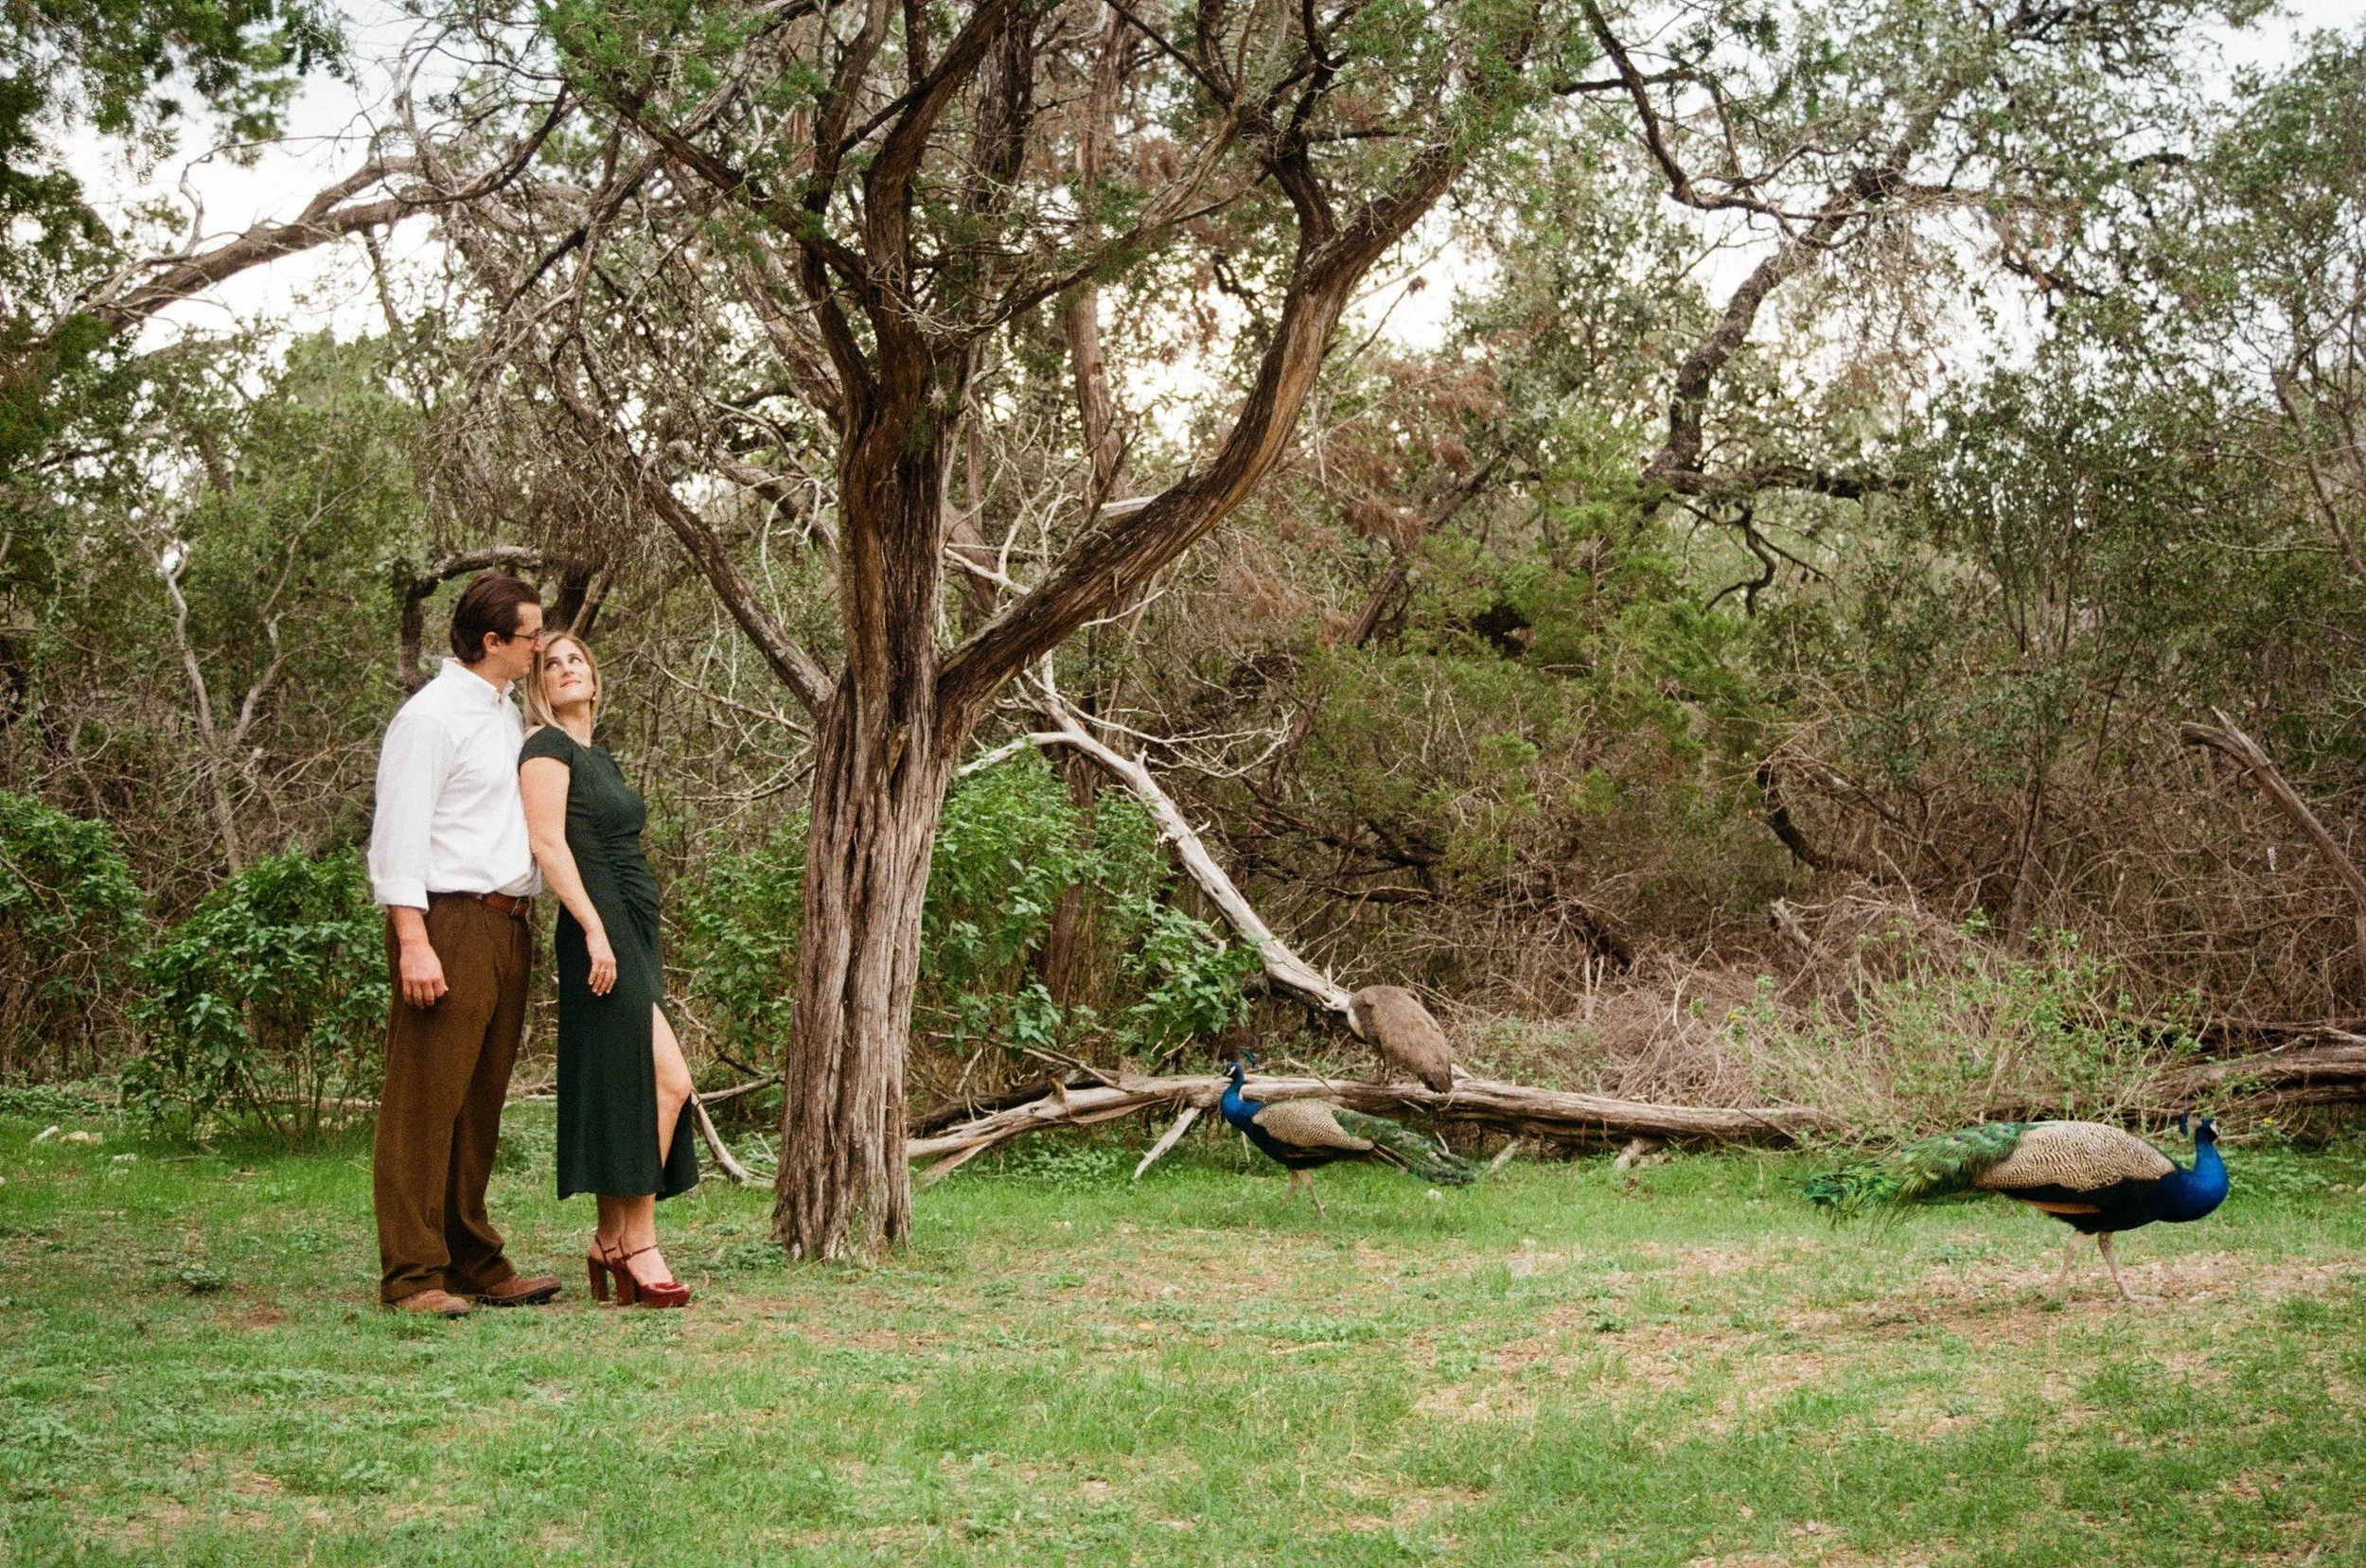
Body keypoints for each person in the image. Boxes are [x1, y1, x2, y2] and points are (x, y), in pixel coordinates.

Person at [366, 573, 562, 1317]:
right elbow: (399, 838)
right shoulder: (432, 717)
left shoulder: (505, 713)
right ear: (491, 641)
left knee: (478, 1104)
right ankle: (413, 1275)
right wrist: (414, 941)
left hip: (508, 921)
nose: (539, 645)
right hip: (448, 921)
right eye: (530, 634)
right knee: (425, 1100)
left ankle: (472, 1259)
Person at [519, 632, 698, 1308]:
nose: (565, 668)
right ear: (539, 683)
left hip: (633, 925)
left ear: (594, 677)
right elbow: (546, 842)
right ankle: (639, 1242)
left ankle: (609, 1237)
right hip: (600, 929)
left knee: (634, 1080)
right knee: (670, 1079)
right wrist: (594, 928)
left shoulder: (601, 754)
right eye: (550, 662)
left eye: (576, 660)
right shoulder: (545, 747)